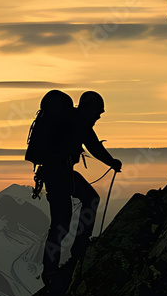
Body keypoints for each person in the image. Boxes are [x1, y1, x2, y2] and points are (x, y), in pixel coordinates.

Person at [39, 90, 121, 286]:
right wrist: (111, 162)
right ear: (88, 108)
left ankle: (54, 267)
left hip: (56, 175)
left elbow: (91, 144)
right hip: (61, 176)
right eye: (97, 113)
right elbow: (94, 146)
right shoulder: (79, 122)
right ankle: (70, 255)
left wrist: (110, 161)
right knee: (64, 221)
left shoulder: (72, 120)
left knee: (62, 223)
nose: (97, 117)